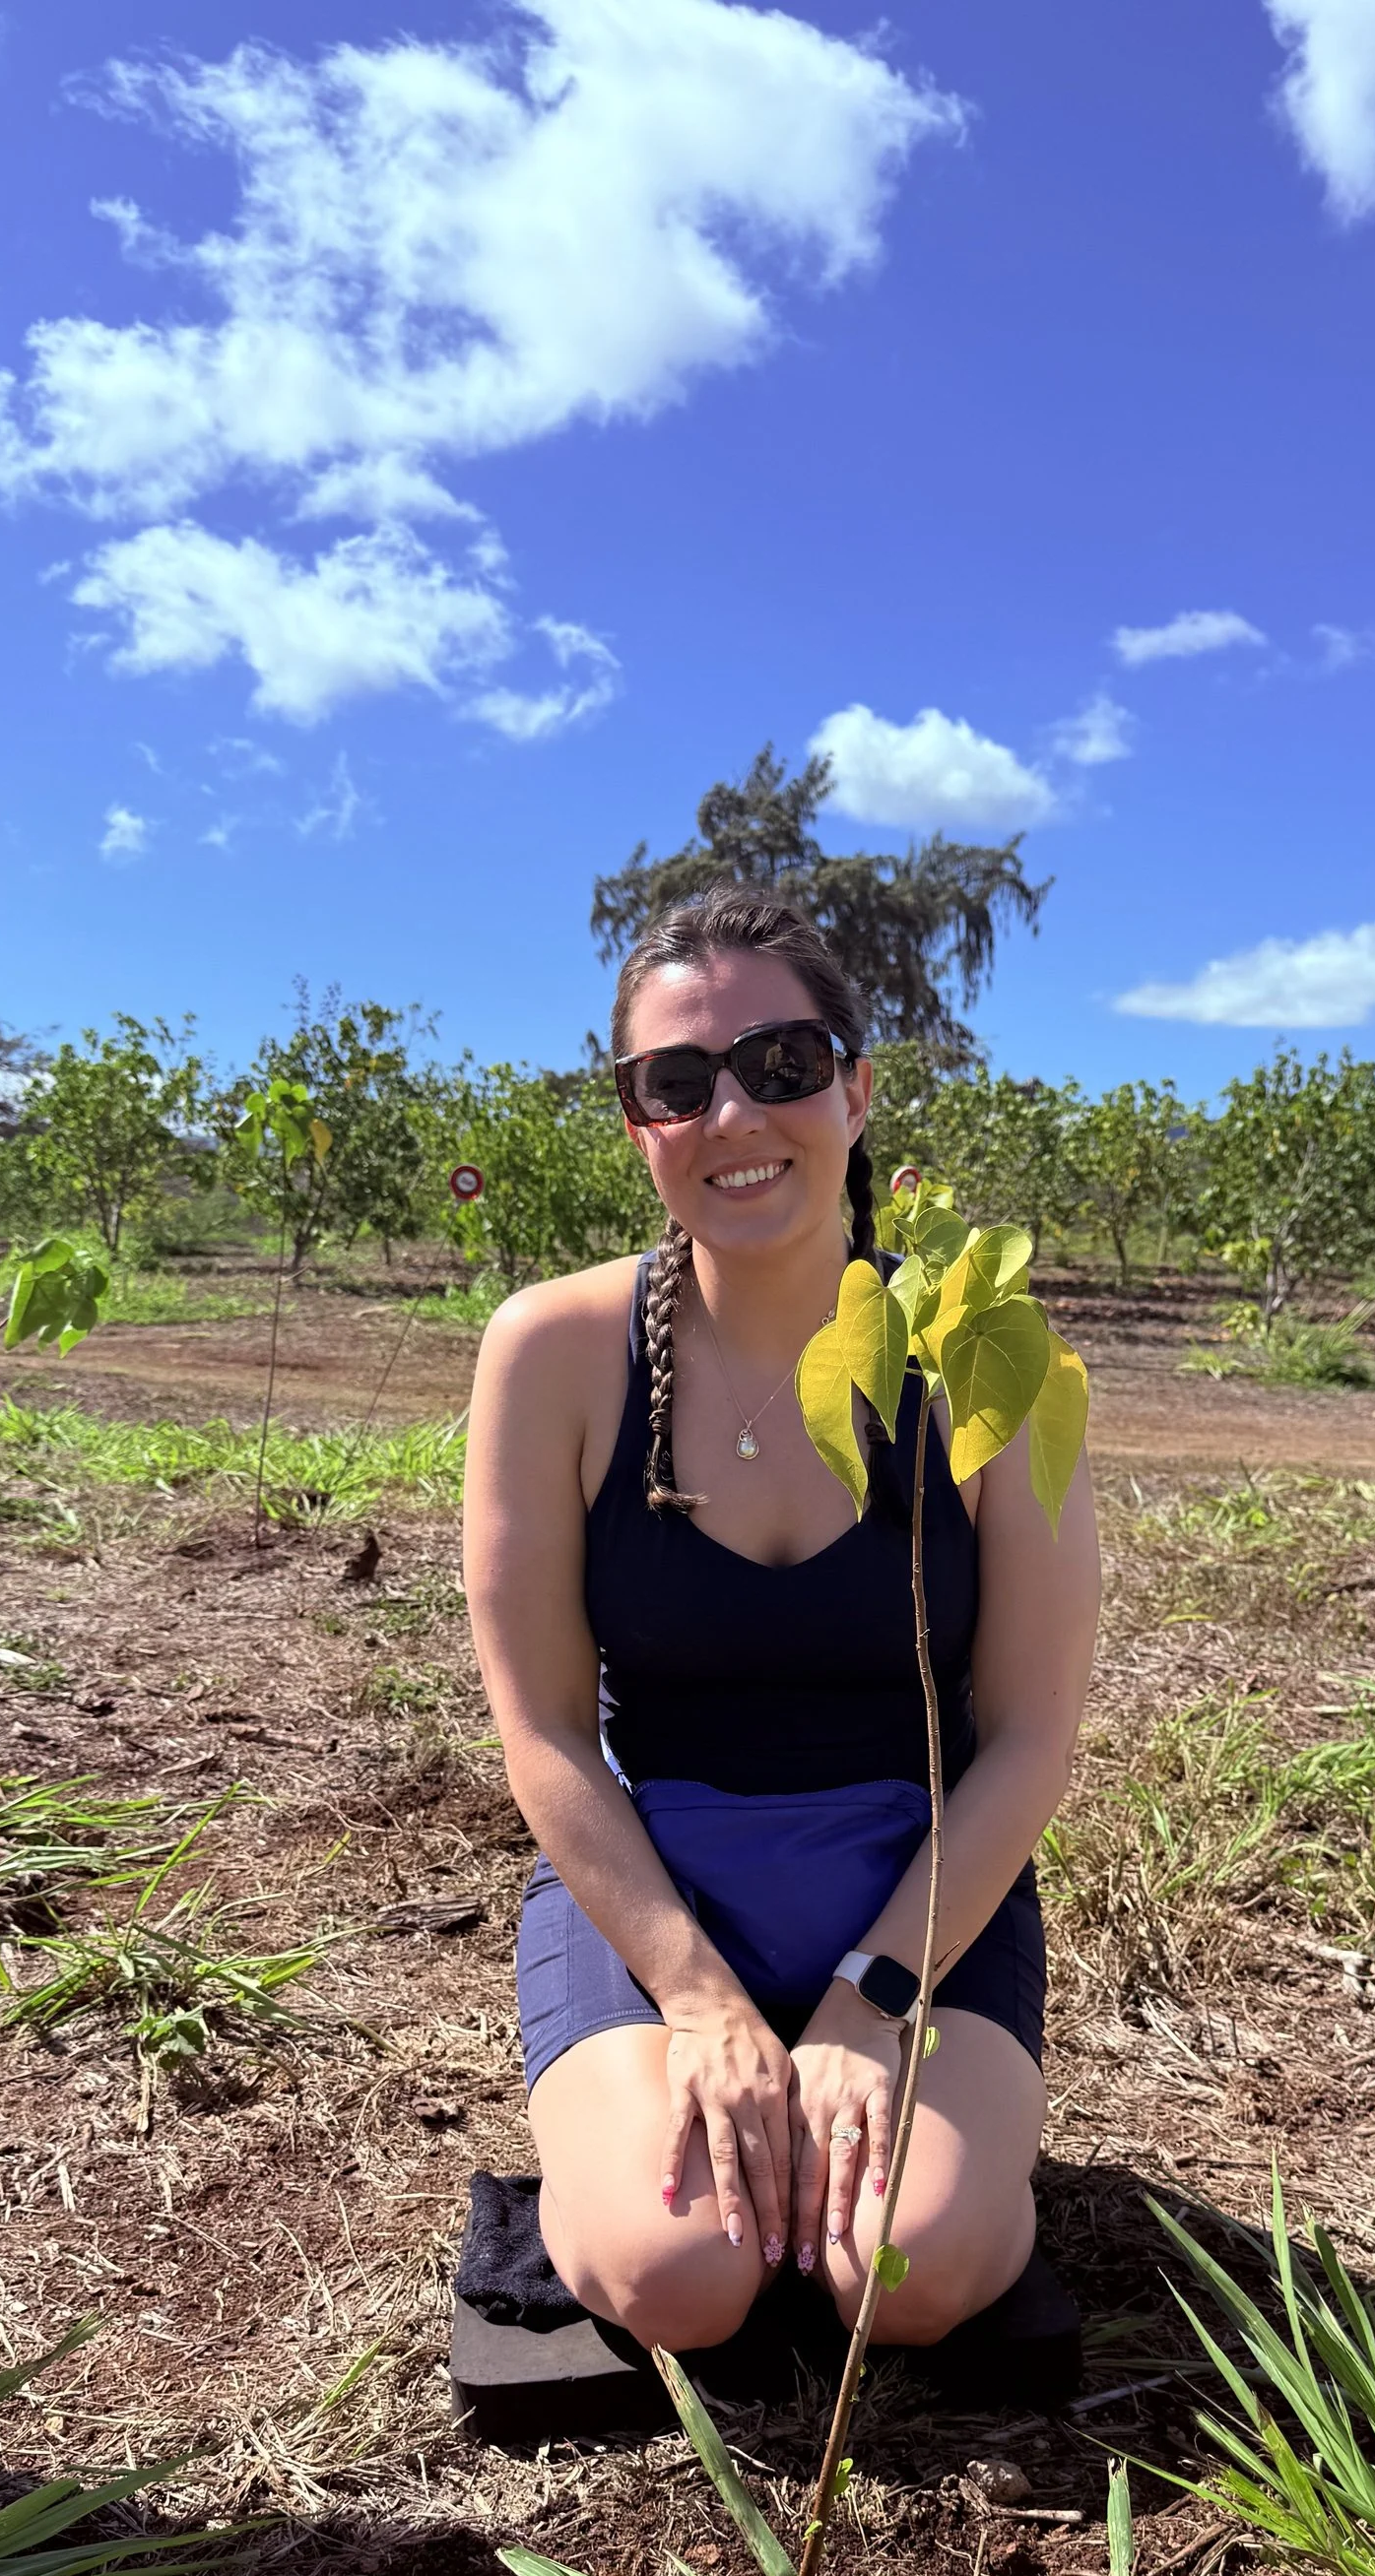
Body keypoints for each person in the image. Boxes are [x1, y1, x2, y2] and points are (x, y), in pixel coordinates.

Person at [462, 884, 1100, 2358]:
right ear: (638, 1127)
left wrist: (874, 1999)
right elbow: (546, 1730)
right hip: (652, 1891)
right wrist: (699, 2001)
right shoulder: (554, 1354)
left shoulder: (985, 1362)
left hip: (917, 1893)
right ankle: (632, 2147)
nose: (735, 1115)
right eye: (676, 1085)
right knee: (680, 2274)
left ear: (859, 1091)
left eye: (786, 1065)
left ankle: (882, 2124)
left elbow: (1028, 1735)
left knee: (910, 2272)